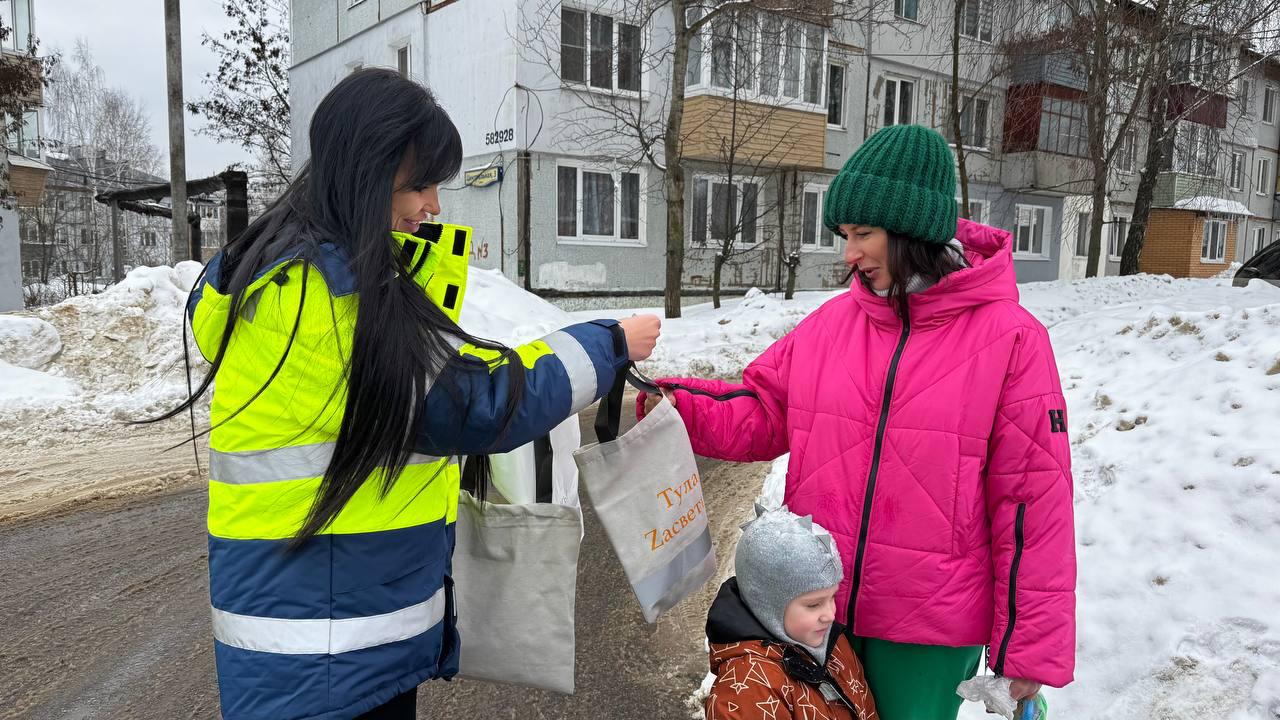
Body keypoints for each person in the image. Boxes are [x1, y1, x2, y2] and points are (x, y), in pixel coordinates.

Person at [161, 68, 661, 719]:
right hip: (334, 658)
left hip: (311, 643)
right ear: (365, 176)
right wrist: (609, 342)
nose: (434, 205)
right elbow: (475, 405)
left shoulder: (285, 280)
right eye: (419, 185)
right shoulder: (331, 302)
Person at [643, 124, 1075, 720]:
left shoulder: (1011, 341)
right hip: (823, 609)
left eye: (863, 234)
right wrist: (660, 405)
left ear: (913, 230)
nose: (849, 254)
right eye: (845, 235)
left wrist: (1025, 646)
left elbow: (1032, 502)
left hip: (927, 629)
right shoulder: (829, 326)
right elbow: (762, 411)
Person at [705, 505, 877, 720]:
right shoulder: (748, 690)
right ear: (767, 605)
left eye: (832, 597)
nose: (830, 615)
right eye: (813, 605)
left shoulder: (832, 643)